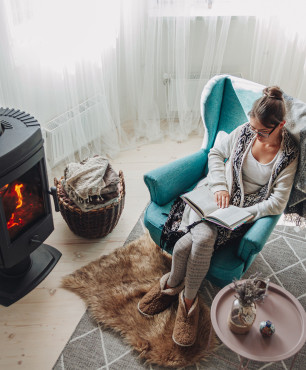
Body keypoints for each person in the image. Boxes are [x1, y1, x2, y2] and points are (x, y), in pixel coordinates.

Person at [138, 86, 299, 347]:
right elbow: (215, 153)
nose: (254, 136)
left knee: (192, 243)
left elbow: (277, 202)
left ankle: (177, 293)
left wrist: (245, 214)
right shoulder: (247, 130)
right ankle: (184, 299)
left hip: (243, 211)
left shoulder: (289, 155)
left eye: (261, 132)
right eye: (252, 128)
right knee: (199, 240)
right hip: (215, 193)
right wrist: (219, 187)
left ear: (280, 125)